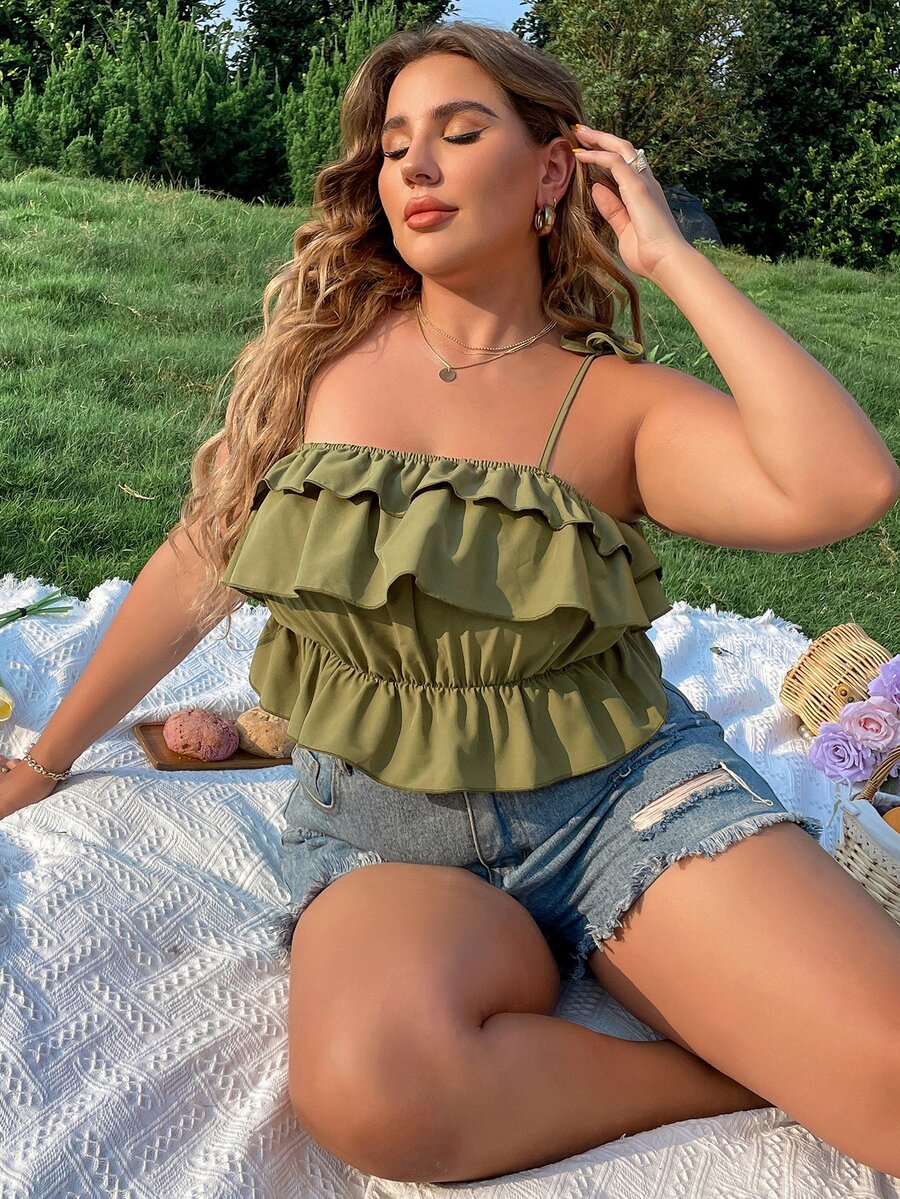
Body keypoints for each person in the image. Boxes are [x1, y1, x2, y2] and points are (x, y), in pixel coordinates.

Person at [3, 19, 899, 1188]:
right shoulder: (318, 364)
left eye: (461, 132)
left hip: (619, 799)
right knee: (376, 1088)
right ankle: (738, 1069)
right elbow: (196, 560)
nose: (415, 166)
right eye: (393, 146)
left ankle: (772, 1042)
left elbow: (846, 484)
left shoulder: (620, 403)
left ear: (551, 170)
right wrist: (49, 757)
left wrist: (673, 260)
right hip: (387, 837)